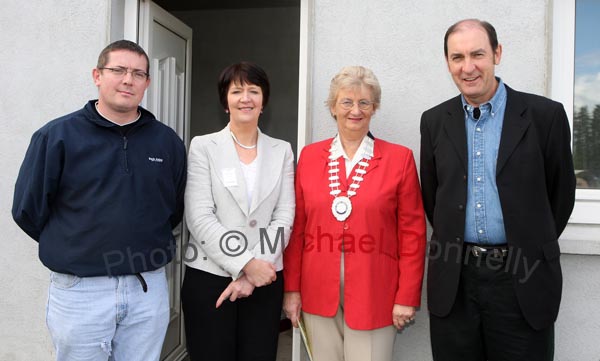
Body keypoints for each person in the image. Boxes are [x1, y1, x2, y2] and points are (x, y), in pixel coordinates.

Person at [11, 40, 186, 361]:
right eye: (118, 70)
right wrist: (79, 245)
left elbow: (172, 209)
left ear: (147, 82)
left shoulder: (167, 142)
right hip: (80, 291)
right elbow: (28, 211)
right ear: (97, 75)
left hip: (146, 289)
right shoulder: (57, 136)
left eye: (137, 73)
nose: (127, 80)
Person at [420, 19, 576, 361]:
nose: (468, 67)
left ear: (497, 53)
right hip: (455, 282)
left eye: (478, 54)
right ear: (447, 62)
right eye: (457, 57)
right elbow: (434, 198)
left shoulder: (544, 117)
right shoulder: (433, 122)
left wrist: (526, 239)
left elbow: (560, 197)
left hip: (522, 278)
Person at [283, 65, 427, 361]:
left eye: (364, 102)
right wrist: (291, 290)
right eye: (346, 102)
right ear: (333, 107)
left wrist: (406, 297)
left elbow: (413, 235)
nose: (355, 110)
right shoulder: (309, 157)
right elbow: (297, 229)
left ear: (374, 108)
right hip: (317, 293)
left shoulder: (399, 159)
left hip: (377, 294)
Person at [181, 61, 295, 361]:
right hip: (210, 277)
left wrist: (256, 271)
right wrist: (245, 263)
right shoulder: (203, 146)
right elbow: (199, 217)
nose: (246, 98)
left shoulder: (282, 150)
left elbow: (283, 217)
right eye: (237, 91)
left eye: (254, 91)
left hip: (265, 280)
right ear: (225, 101)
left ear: (264, 101)